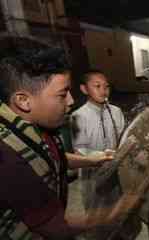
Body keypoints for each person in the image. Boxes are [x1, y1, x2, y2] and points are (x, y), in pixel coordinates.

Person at [0, 36, 140, 239]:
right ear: (23, 101)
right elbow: (56, 226)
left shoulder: (37, 126)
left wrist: (93, 159)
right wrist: (115, 211)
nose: (71, 101)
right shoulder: (7, 157)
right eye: (62, 94)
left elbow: (53, 159)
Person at [71, 70, 140, 239]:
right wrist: (102, 155)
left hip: (117, 171)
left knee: (121, 211)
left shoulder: (116, 111)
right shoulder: (77, 116)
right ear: (84, 89)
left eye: (106, 86)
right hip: (92, 174)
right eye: (97, 86)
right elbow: (79, 150)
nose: (103, 90)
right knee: (98, 214)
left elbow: (123, 137)